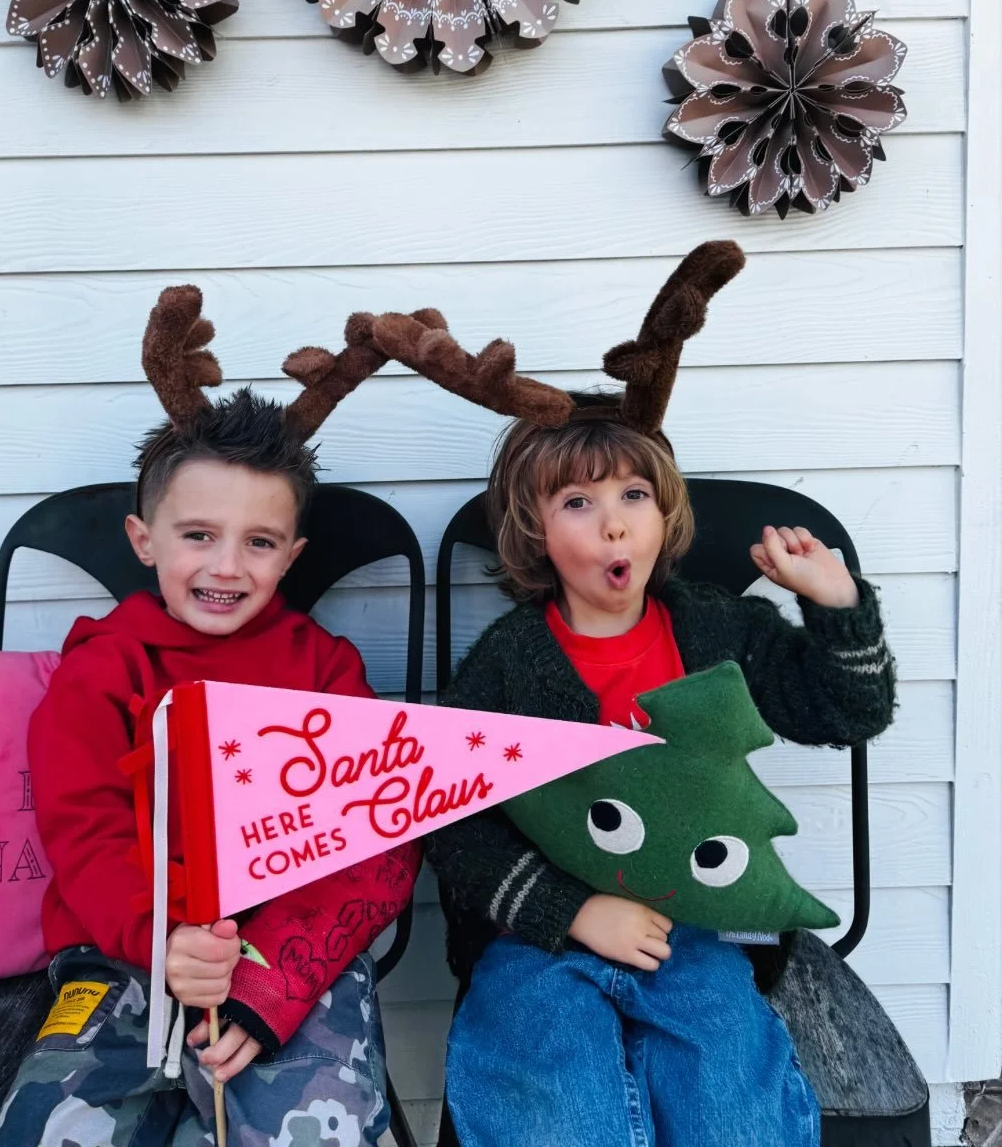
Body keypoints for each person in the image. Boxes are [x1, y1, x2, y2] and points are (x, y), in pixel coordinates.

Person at [364, 242, 897, 1147]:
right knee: (557, 1107)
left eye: (634, 493)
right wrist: (570, 911)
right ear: (533, 530)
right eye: (576, 501)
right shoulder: (509, 664)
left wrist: (837, 608)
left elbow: (847, 713)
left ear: (664, 514)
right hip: (542, 938)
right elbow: (449, 818)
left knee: (727, 1097)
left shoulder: (716, 631)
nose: (612, 518)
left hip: (694, 925)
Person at [0, 288, 419, 1147]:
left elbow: (384, 836)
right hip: (120, 952)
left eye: (259, 542)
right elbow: (84, 834)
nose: (226, 565)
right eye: (198, 536)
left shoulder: (325, 672)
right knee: (55, 1128)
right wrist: (159, 942)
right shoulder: (103, 669)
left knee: (310, 1131)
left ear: (292, 556)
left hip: (291, 957)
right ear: (145, 540)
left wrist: (279, 984)